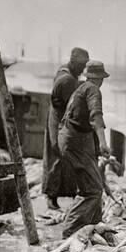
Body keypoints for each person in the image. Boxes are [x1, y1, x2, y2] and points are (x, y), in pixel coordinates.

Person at [58, 60, 111, 238]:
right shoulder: (93, 90)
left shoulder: (80, 88)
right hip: (75, 143)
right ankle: (70, 232)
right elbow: (96, 116)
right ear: (100, 79)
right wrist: (103, 143)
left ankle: (95, 226)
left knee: (91, 185)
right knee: (93, 190)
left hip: (70, 140)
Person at [42, 47, 90, 210]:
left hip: (57, 118)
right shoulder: (67, 80)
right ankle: (51, 197)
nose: (83, 69)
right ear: (74, 63)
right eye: (82, 65)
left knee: (63, 158)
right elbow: (73, 105)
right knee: (57, 157)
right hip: (58, 122)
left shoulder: (64, 71)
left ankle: (63, 193)